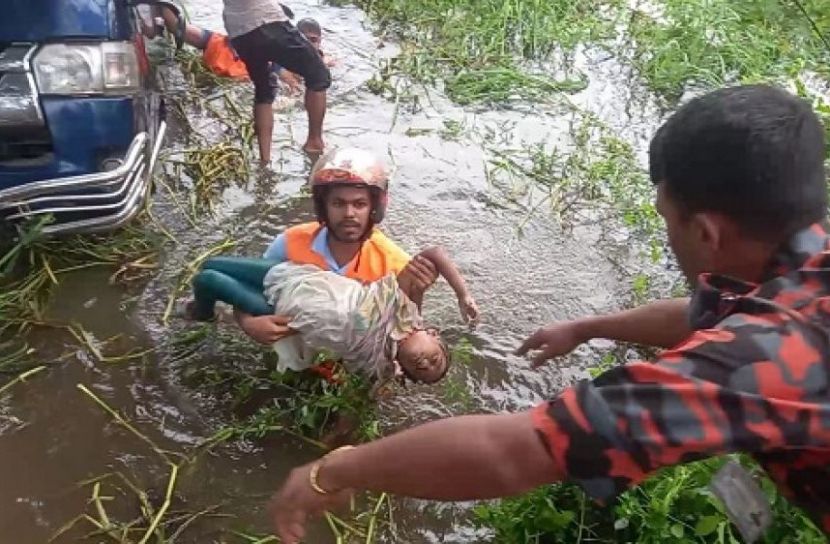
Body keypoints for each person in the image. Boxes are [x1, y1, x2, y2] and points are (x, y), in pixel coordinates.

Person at [268, 84, 830, 543]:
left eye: (667, 218)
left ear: (706, 231)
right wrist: (586, 327)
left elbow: (519, 451)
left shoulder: (767, 354)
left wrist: (332, 471)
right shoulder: (798, 271)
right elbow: (704, 313)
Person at [184, 246, 478, 384]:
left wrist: (333, 443)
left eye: (422, 370)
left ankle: (203, 315)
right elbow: (434, 254)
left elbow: (356, 409)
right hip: (296, 278)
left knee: (207, 279)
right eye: (434, 359)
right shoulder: (404, 307)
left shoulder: (376, 364)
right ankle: (207, 309)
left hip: (280, 312)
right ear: (433, 334)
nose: (425, 363)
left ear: (403, 369)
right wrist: (463, 294)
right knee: (212, 261)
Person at [235, 147, 438, 345]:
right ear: (323, 207)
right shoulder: (290, 243)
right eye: (338, 204)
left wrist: (417, 293)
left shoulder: (395, 265)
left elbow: (404, 335)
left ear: (374, 209)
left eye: (359, 204)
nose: (349, 214)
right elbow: (246, 286)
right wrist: (249, 324)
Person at [223, 0, 330, 164]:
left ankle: (264, 159)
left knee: (263, 91)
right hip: (265, 20)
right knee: (319, 75)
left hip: (238, 29)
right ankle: (314, 142)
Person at [139, 3, 323, 93]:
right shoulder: (216, 42)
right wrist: (161, 5)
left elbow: (295, 92)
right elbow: (179, 29)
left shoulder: (280, 62)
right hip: (216, 88)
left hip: (238, 91)